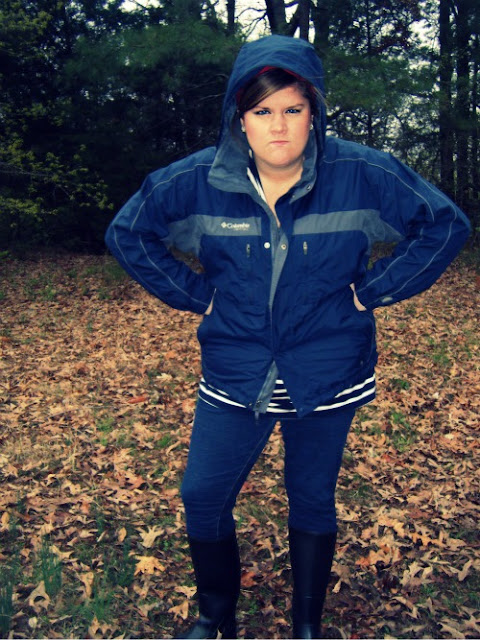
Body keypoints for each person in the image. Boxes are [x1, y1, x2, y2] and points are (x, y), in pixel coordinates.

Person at [105, 35, 470, 639]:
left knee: (311, 496)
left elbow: (445, 224)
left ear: (314, 112)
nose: (278, 126)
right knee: (202, 495)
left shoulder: (361, 174)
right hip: (235, 370)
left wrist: (372, 291)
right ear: (239, 117)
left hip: (327, 369)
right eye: (262, 110)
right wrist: (197, 295)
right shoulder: (198, 180)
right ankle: (215, 616)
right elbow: (129, 232)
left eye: (293, 109)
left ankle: (306, 624)